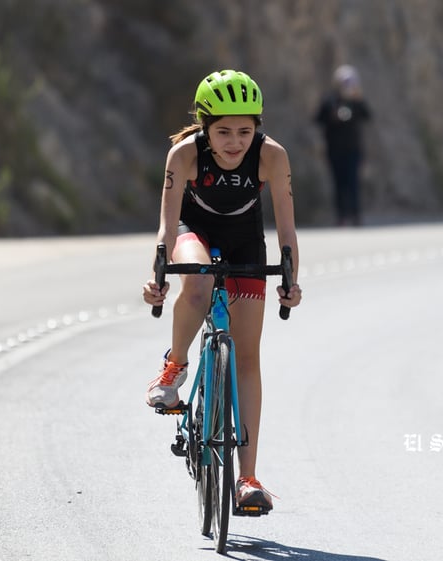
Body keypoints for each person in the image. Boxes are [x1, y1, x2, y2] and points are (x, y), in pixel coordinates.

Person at [142, 69, 302, 511]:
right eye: (224, 131)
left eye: (245, 131)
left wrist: (290, 281)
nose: (235, 141)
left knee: (247, 357)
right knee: (197, 278)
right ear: (205, 127)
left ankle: (247, 479)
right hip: (194, 231)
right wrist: (158, 276)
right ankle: (174, 368)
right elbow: (166, 224)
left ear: (258, 127)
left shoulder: (272, 157)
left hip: (245, 239)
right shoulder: (183, 155)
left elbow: (287, 230)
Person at [315, 64, 371, 227]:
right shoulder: (330, 100)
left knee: (353, 183)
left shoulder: (356, 101)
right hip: (335, 150)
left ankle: (355, 215)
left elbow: (368, 116)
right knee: (339, 184)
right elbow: (318, 119)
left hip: (353, 149)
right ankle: (341, 216)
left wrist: (358, 99)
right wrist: (332, 116)